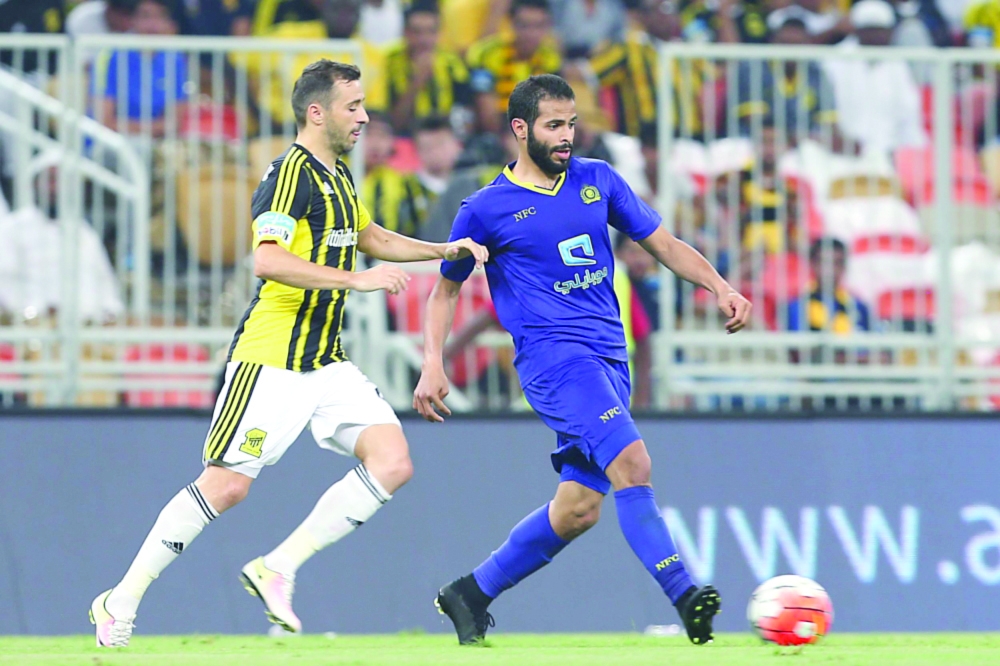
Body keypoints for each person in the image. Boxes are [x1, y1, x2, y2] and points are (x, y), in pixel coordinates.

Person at [89, 59, 488, 648]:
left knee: (393, 461)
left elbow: (371, 237)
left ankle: (277, 567)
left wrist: (442, 249)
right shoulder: (287, 176)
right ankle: (119, 600)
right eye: (353, 106)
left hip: (325, 359)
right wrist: (355, 280)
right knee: (226, 486)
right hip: (272, 355)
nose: (365, 116)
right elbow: (267, 258)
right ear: (317, 112)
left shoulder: (340, 175)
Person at [413, 74, 750, 646]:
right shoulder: (486, 209)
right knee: (633, 464)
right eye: (553, 125)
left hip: (610, 360)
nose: (566, 135)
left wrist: (719, 286)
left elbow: (664, 245)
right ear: (521, 129)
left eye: (570, 123)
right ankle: (686, 596)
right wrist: (432, 363)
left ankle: (469, 593)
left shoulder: (598, 180)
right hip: (556, 364)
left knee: (577, 509)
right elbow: (445, 291)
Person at [466, 0, 562, 133]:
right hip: (494, 131)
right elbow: (487, 115)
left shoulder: (550, 58)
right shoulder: (486, 54)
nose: (531, 33)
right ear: (511, 24)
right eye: (524, 25)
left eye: (538, 26)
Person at [383, 0, 473, 135]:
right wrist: (417, 82)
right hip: (404, 137)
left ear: (439, 34)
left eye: (431, 31)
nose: (424, 39)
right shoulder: (389, 63)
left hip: (445, 136)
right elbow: (393, 124)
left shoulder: (453, 64)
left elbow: (467, 116)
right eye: (416, 32)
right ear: (405, 33)